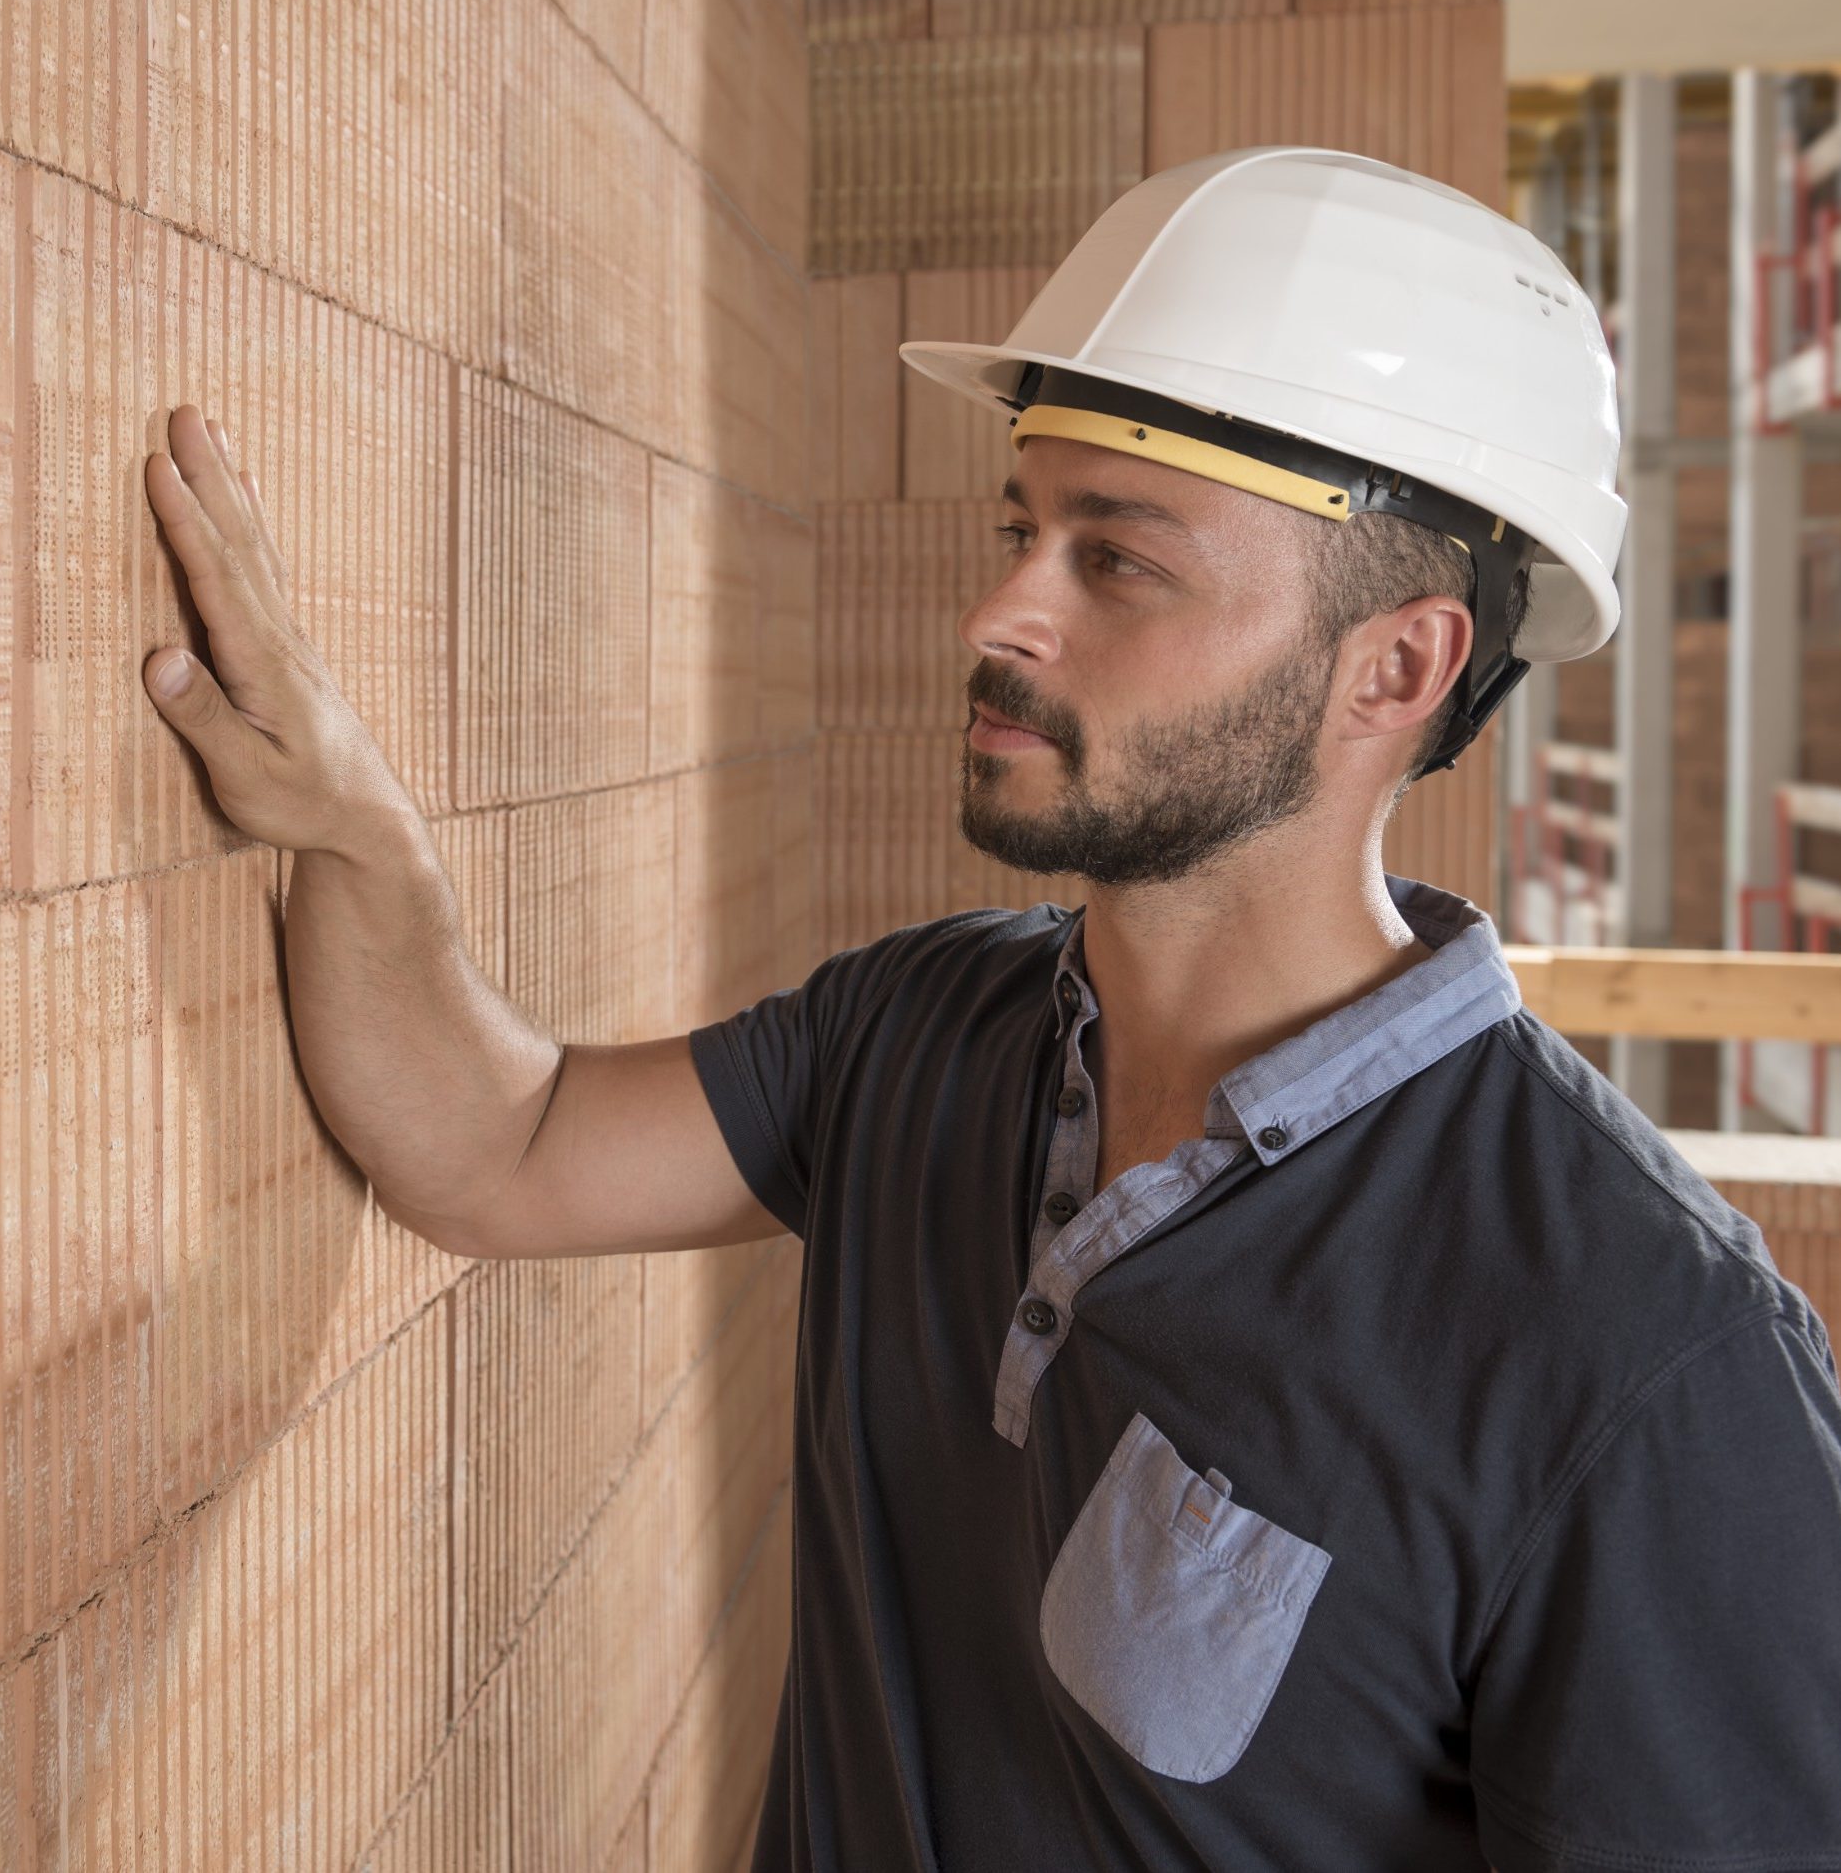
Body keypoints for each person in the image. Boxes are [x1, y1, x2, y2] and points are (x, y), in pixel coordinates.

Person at [136, 147, 1841, 1870]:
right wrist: (361, 843)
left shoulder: (1645, 1359)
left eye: (1118, 562)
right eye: (1022, 528)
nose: (997, 612)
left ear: (1391, 669)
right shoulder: (929, 1028)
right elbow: (498, 1144)